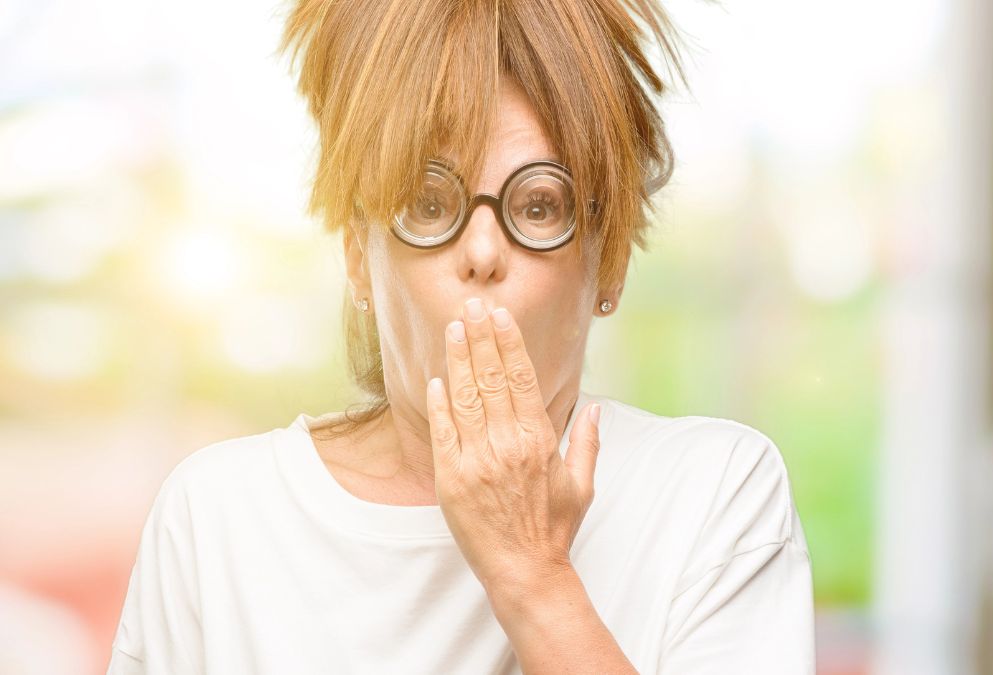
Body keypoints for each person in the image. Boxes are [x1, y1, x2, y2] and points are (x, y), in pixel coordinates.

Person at [107, 0, 814, 672]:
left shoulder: (714, 493)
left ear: (611, 260)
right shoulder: (217, 518)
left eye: (539, 206)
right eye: (428, 202)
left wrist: (533, 574)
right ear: (359, 253)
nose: (481, 249)